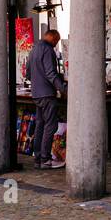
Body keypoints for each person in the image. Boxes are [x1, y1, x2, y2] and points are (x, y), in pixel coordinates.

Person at [27, 28, 67, 169]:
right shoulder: (48, 50)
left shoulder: (34, 49)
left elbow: (28, 73)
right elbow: (51, 73)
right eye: (56, 41)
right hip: (47, 94)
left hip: (36, 93)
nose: (56, 44)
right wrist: (63, 89)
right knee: (50, 126)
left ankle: (38, 158)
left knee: (40, 125)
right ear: (53, 38)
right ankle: (45, 159)